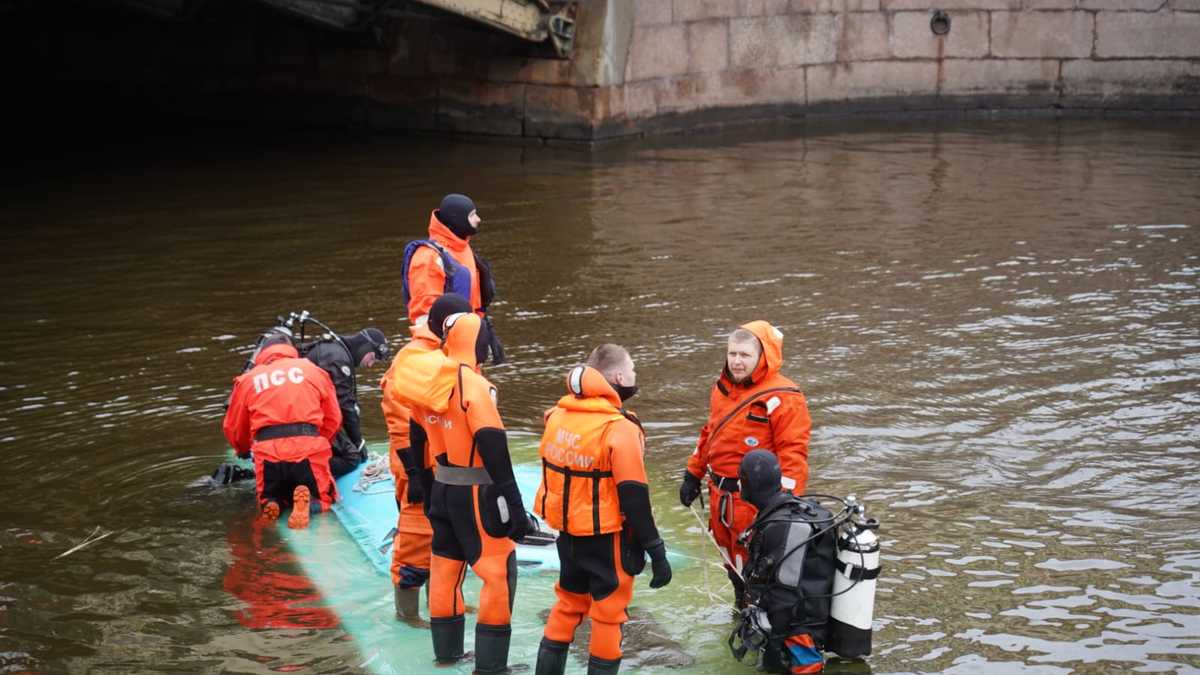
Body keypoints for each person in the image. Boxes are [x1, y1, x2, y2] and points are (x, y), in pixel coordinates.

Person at [533, 345, 673, 675]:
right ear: (619, 377)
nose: (635, 376)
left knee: (567, 606)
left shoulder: (557, 416)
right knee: (608, 616)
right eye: (633, 370)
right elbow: (634, 497)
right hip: (607, 539)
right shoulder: (620, 428)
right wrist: (655, 549)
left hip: (566, 535)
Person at [402, 311, 528, 673]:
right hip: (477, 493)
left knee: (445, 570)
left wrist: (425, 486)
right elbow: (492, 444)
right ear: (476, 341)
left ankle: (447, 655)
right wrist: (514, 505)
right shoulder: (473, 386)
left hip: (442, 486)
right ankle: (491, 667)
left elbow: (416, 436)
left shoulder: (429, 380)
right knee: (498, 574)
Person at [679, 321, 812, 607]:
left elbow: (793, 454)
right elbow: (709, 434)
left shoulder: (783, 398)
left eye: (745, 355)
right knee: (731, 565)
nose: (737, 362)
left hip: (752, 502)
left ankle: (760, 622)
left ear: (762, 357)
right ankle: (742, 613)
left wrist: (784, 507)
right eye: (732, 354)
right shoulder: (722, 390)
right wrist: (693, 473)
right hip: (720, 497)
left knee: (758, 568)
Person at [379, 293, 473, 623]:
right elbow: (400, 425)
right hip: (416, 468)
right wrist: (417, 475)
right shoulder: (413, 361)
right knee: (416, 540)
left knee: (444, 536)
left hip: (441, 467)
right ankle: (407, 614)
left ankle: (440, 599)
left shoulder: (442, 353)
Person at [730, 450, 836, 674]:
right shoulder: (786, 512)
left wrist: (774, 644)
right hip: (806, 621)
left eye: (741, 478)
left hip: (799, 636)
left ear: (748, 483)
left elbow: (785, 595)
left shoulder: (782, 526)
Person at [223, 336, 342, 529]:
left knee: (269, 496)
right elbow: (333, 418)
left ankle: (273, 502)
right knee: (324, 498)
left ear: (262, 354)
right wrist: (322, 442)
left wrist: (242, 449)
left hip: (268, 454)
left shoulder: (248, 380)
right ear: (291, 350)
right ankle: (311, 505)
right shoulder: (313, 371)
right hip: (307, 450)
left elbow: (235, 426)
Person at [401, 193, 504, 362]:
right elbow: (424, 314)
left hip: (467, 340)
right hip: (446, 350)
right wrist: (437, 356)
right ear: (458, 220)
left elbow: (475, 302)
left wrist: (486, 332)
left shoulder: (462, 247)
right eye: (472, 215)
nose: (478, 219)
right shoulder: (428, 259)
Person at [303, 327, 389, 478]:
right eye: (373, 358)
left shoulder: (335, 350)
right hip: (306, 418)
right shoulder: (338, 359)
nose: (370, 365)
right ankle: (305, 472)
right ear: (366, 348)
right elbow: (345, 404)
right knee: (351, 458)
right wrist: (358, 442)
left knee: (347, 445)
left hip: (307, 411)